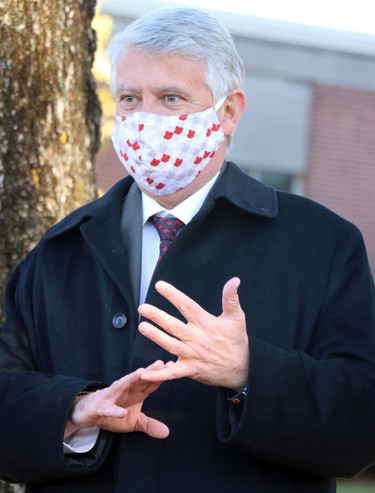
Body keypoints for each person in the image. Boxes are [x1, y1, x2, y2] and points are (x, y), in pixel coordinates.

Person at [0, 6, 375, 493]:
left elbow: (361, 424)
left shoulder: (322, 244)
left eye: (170, 97)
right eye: (130, 97)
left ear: (229, 112)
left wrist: (247, 372)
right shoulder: (63, 248)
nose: (145, 118)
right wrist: (73, 410)